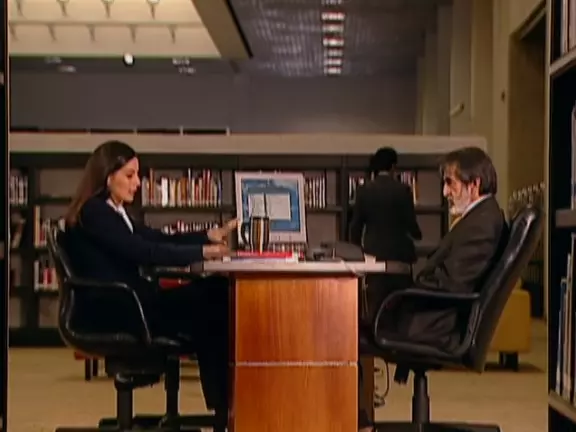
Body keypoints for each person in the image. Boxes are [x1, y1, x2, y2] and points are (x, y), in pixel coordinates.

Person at [61, 140, 233, 420]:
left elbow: (157, 239)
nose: (137, 183)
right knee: (215, 298)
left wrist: (206, 237)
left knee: (216, 291)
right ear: (108, 177)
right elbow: (144, 252)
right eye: (129, 175)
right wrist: (202, 252)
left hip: (131, 303)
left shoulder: (113, 211)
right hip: (121, 309)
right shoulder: (95, 212)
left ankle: (224, 406)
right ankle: (224, 407)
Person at [358, 147, 508, 432]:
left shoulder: (481, 225)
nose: (444, 191)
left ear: (474, 184)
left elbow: (451, 284)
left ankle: (355, 421)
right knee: (358, 324)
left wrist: (405, 294)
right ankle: (360, 419)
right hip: (438, 317)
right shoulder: (480, 218)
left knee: (348, 332)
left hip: (438, 325)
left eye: (450, 183)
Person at [349, 147, 421, 325]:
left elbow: (356, 226)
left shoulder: (364, 190)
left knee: (376, 308)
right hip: (400, 257)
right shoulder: (403, 190)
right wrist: (417, 234)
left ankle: (376, 338)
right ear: (393, 167)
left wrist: (356, 252)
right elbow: (411, 224)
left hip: (374, 257)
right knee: (401, 308)